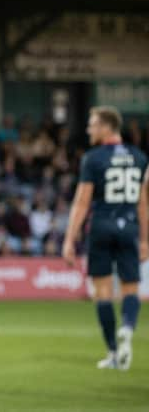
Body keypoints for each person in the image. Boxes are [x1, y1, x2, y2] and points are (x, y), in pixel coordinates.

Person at [62, 106, 148, 371]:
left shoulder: (93, 158)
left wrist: (69, 239)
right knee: (131, 289)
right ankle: (127, 329)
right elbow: (143, 203)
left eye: (93, 124)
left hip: (101, 226)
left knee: (102, 292)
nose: (89, 129)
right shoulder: (139, 157)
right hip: (129, 227)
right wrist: (145, 238)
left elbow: (81, 202)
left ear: (106, 127)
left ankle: (112, 351)